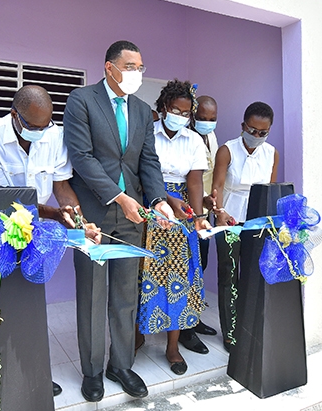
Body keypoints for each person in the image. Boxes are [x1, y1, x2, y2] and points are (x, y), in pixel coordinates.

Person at [0, 84, 100, 397]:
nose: (42, 132)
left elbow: (62, 185)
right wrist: (55, 214)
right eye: (33, 126)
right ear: (15, 115)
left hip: (33, 232)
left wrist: (77, 220)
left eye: (46, 125)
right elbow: (5, 199)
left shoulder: (53, 135)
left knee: (27, 303)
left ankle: (30, 371)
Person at [63, 40, 175, 402]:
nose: (137, 74)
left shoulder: (143, 111)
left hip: (134, 217)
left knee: (126, 294)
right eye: (130, 67)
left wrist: (157, 200)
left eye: (140, 67)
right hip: (95, 215)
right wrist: (120, 197)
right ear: (109, 67)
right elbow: (81, 157)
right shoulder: (82, 101)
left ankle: (121, 364)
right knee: (93, 294)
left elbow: (148, 162)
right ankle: (93, 370)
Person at [135, 80, 211, 375]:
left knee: (178, 279)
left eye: (186, 112)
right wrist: (164, 199)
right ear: (164, 107)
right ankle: (138, 335)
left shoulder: (193, 141)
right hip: (147, 207)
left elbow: (194, 182)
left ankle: (172, 346)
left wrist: (198, 218)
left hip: (181, 213)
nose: (181, 116)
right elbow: (140, 174)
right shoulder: (146, 134)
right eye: (176, 110)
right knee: (141, 277)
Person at [209, 101, 279, 352]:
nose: (257, 136)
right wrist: (219, 212)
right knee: (229, 275)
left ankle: (250, 325)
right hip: (228, 219)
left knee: (253, 275)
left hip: (257, 222)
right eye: (252, 130)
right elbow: (216, 186)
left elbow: (269, 191)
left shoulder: (271, 153)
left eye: (263, 132)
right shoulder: (228, 150)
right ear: (243, 126)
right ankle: (230, 332)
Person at [190, 95, 219, 337]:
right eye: (202, 118)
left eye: (212, 119)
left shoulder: (210, 137)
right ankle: (186, 326)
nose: (207, 123)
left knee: (201, 266)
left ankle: (194, 319)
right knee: (187, 268)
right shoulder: (187, 138)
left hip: (205, 213)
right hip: (186, 213)